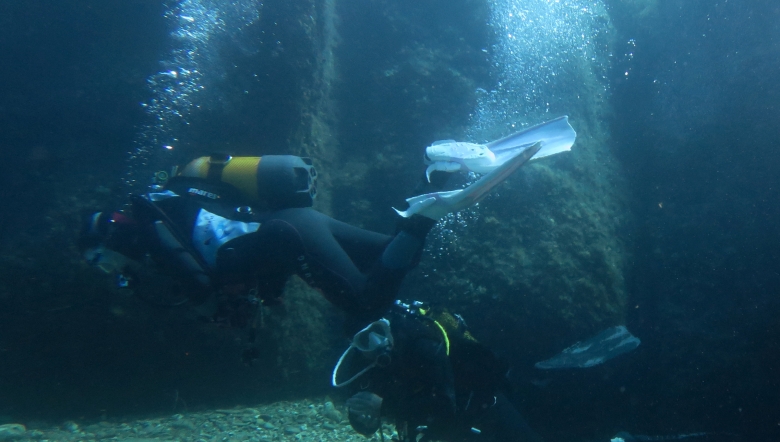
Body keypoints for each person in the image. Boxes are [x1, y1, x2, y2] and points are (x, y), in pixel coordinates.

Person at [78, 117, 573, 333]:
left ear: (110, 236)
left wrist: (218, 305)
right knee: (395, 256)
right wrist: (264, 290)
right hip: (296, 222)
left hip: (286, 233)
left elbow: (200, 279)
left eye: (101, 259)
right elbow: (236, 244)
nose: (109, 268)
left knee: (365, 304)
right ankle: (439, 177)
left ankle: (425, 214)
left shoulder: (152, 227)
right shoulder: (172, 200)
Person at [334, 302, 632, 442]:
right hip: (464, 427)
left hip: (485, 407)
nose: (377, 345)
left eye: (377, 332)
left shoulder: (422, 346)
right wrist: (366, 417)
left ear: (387, 324)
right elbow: (366, 422)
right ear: (354, 345)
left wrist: (384, 407)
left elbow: (444, 407)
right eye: (364, 341)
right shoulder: (366, 366)